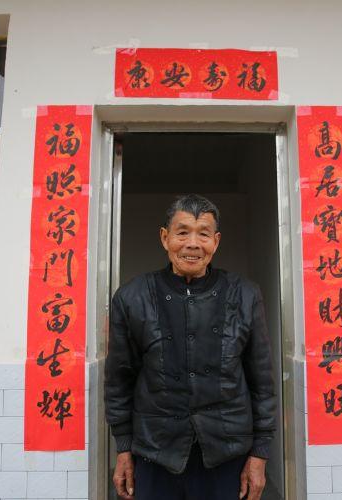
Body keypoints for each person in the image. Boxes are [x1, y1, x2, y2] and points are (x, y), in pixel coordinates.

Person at [104, 194, 276, 500]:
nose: (193, 244)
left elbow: (261, 381)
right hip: (155, 452)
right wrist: (123, 448)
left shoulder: (245, 295)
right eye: (182, 232)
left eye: (203, 234)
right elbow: (119, 380)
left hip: (227, 453)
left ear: (216, 241)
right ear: (165, 237)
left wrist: (260, 453)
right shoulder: (132, 298)